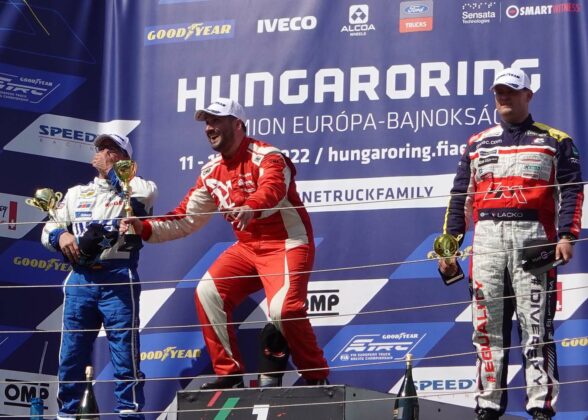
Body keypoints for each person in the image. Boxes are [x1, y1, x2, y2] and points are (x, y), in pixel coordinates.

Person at [123, 97, 329, 389]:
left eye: (216, 120)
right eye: (207, 122)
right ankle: (229, 375)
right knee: (208, 292)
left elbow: (273, 188)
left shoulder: (268, 156)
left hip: (287, 242)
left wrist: (251, 207)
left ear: (238, 124)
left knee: (284, 310)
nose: (209, 128)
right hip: (247, 248)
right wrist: (142, 227)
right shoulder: (211, 173)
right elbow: (186, 217)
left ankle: (316, 376)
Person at [438, 68, 583, 420]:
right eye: (499, 91)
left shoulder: (555, 140)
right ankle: (488, 407)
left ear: (528, 95)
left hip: (534, 238)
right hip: (487, 240)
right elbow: (460, 198)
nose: (503, 97)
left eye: (511, 91)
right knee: (486, 328)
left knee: (536, 328)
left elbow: (572, 192)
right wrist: (449, 247)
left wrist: (567, 235)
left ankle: (541, 408)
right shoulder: (477, 142)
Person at [42, 134, 157, 419]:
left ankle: (129, 413)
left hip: (118, 277)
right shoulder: (76, 193)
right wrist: (61, 235)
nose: (103, 152)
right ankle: (67, 414)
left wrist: (112, 172)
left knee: (125, 354)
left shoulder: (138, 187)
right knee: (71, 354)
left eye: (111, 149)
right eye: (101, 148)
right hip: (80, 279)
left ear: (125, 159)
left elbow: (145, 198)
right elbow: (47, 229)